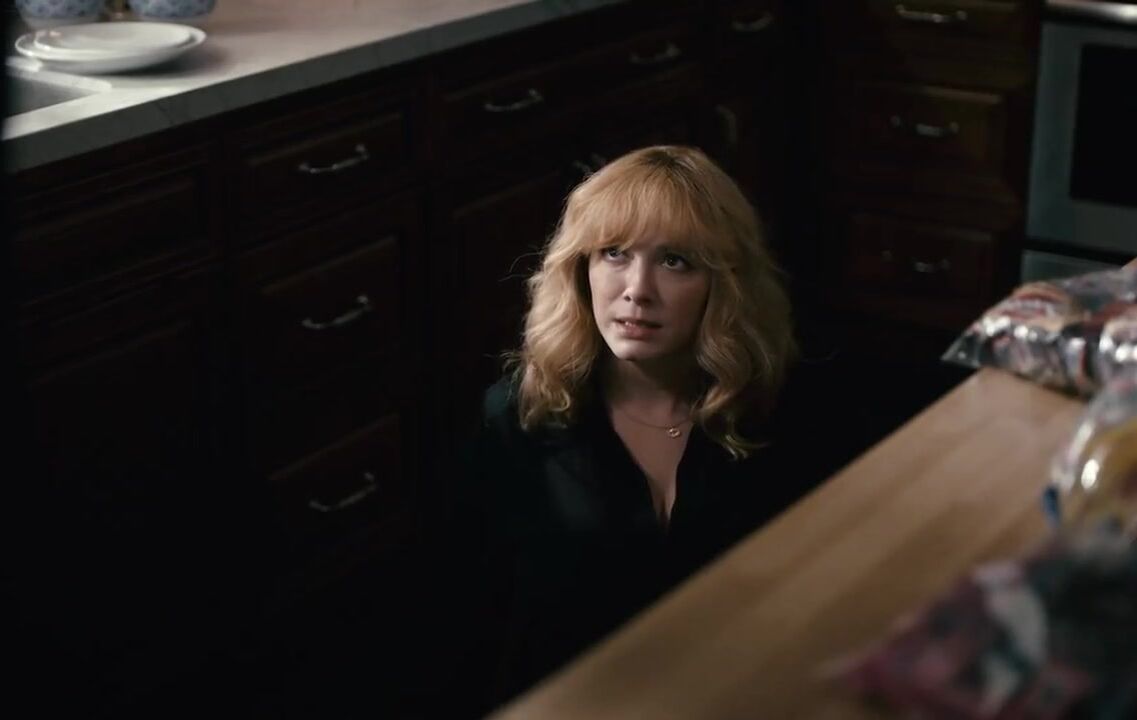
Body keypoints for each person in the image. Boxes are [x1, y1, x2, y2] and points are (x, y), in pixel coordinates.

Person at [426, 145, 831, 717]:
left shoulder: (780, 407)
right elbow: (468, 620)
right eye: (614, 253)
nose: (637, 289)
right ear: (581, 269)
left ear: (724, 283)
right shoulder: (519, 417)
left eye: (675, 262)